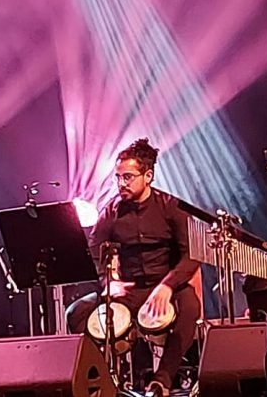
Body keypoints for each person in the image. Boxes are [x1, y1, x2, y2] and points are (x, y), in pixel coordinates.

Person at [65, 138, 201, 397]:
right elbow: (93, 252)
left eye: (127, 177)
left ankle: (162, 380)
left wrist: (167, 286)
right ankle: (103, 380)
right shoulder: (112, 211)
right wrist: (108, 283)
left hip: (166, 287)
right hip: (129, 290)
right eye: (118, 177)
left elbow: (192, 256)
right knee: (76, 313)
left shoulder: (171, 207)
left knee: (190, 306)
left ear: (148, 176)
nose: (121, 184)